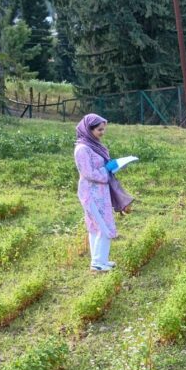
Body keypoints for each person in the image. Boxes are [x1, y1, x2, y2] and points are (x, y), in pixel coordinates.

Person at [74, 113, 133, 272]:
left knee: (96, 227)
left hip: (100, 193)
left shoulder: (93, 146)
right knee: (103, 227)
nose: (102, 133)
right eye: (99, 130)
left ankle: (100, 260)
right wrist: (106, 169)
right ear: (89, 129)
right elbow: (89, 174)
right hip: (91, 194)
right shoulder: (82, 149)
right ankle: (98, 264)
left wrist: (114, 166)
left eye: (103, 129)